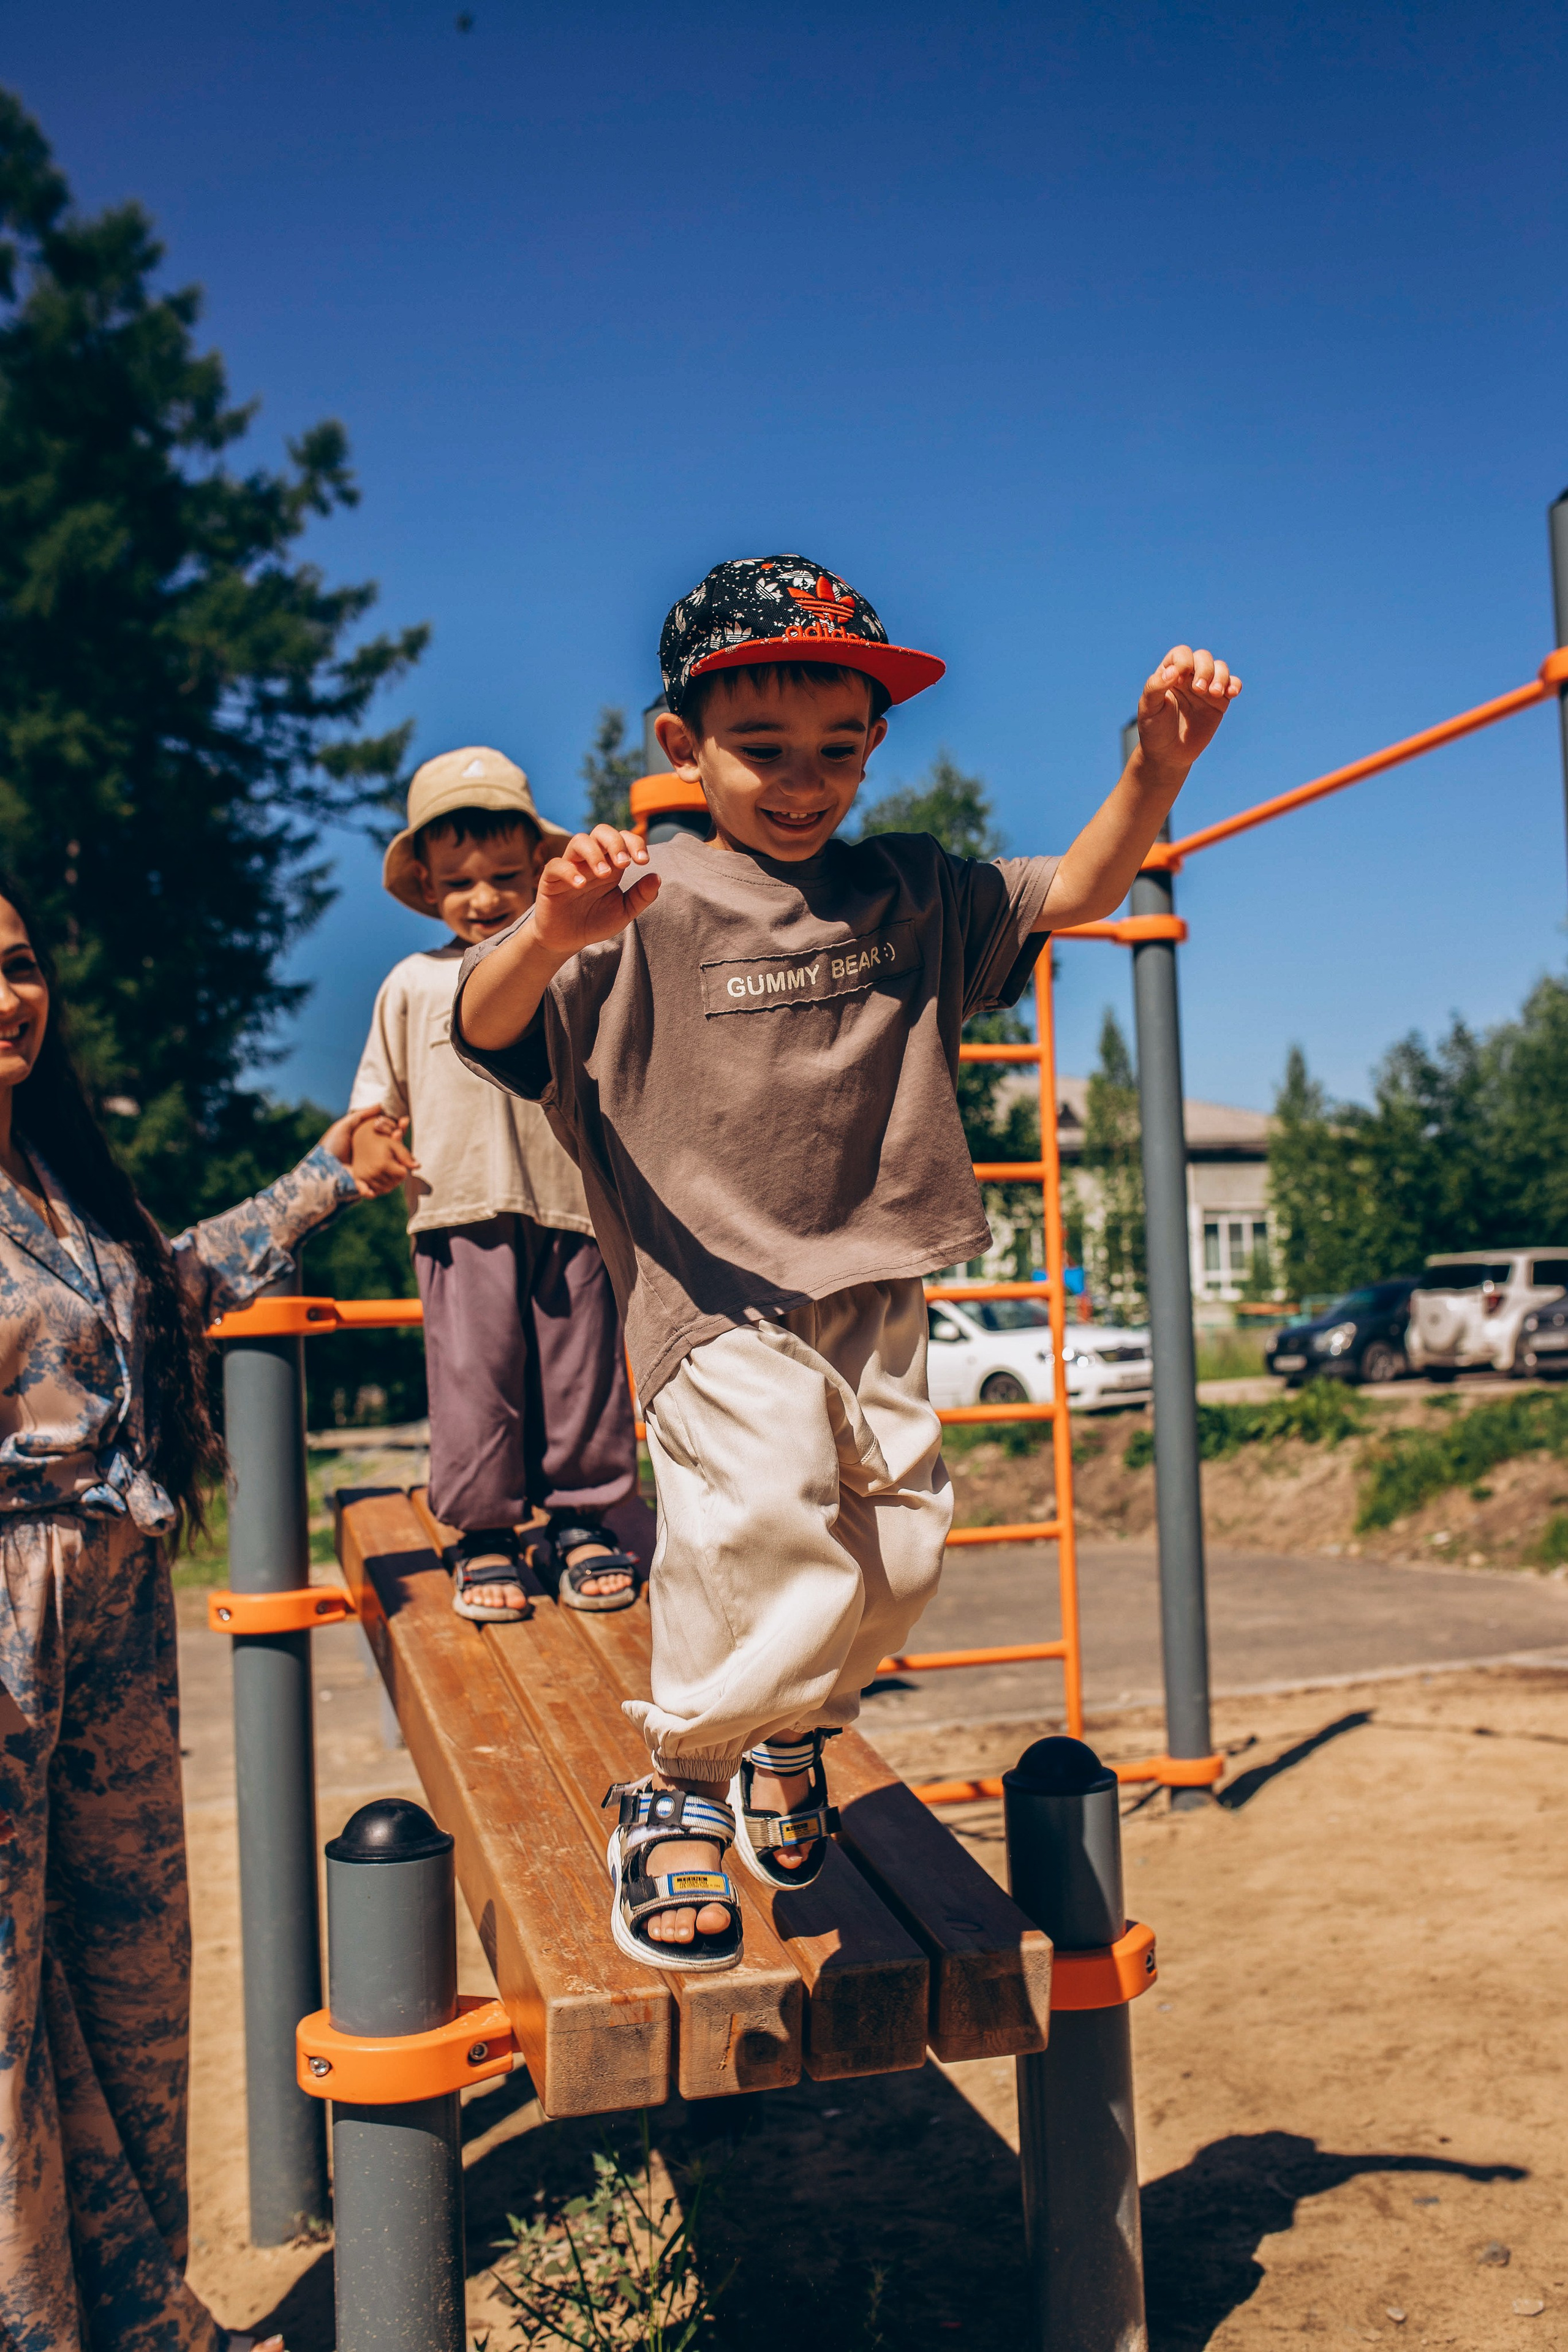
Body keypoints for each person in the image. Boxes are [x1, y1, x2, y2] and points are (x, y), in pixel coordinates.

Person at [452, 555, 1240, 1973]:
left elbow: (1079, 884)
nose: (802, 781)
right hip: (709, 1293)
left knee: (896, 1562)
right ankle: (678, 1788)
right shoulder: (641, 899)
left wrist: (1155, 771)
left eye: (836, 749)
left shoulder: (911, 891)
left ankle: (786, 1744)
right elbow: (488, 1021)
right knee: (765, 1517)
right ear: (683, 748)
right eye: (761, 752)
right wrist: (549, 929)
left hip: (872, 1285)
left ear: (874, 745)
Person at [0, 876, 396, 2351]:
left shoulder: (63, 1183)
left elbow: (170, 1293)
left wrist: (324, 1175)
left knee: (128, 1978)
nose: (8, 999)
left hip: (111, 1623)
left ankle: (135, 2311)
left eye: (22, 964)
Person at [349, 746, 639, 1621]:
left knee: (582, 1371)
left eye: (506, 876)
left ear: (540, 872)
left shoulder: (574, 961)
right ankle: (483, 1534)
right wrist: (370, 1140)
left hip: (573, 1204)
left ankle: (585, 1520)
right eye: (460, 883)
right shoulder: (413, 984)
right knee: (476, 1375)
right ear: (429, 886)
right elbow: (375, 1099)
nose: (484, 899)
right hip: (459, 1206)